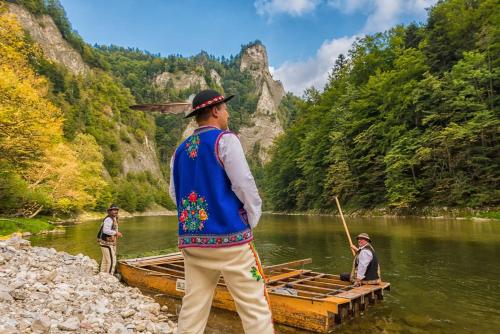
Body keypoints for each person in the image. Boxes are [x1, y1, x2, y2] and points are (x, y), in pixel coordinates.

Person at [169, 89, 274, 334]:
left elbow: (176, 194)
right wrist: (251, 218)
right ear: (216, 110)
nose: (227, 113)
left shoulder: (179, 151)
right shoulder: (225, 140)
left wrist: (195, 223)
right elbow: (244, 184)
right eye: (225, 108)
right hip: (231, 240)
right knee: (254, 306)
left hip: (193, 242)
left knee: (193, 307)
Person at [97, 204, 123, 274]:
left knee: (105, 260)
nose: (115, 211)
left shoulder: (113, 218)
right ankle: (109, 276)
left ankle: (102, 274)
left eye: (116, 210)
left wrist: (115, 234)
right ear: (110, 211)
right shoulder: (109, 219)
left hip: (108, 242)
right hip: (106, 243)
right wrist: (116, 233)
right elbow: (105, 230)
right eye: (113, 210)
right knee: (112, 260)